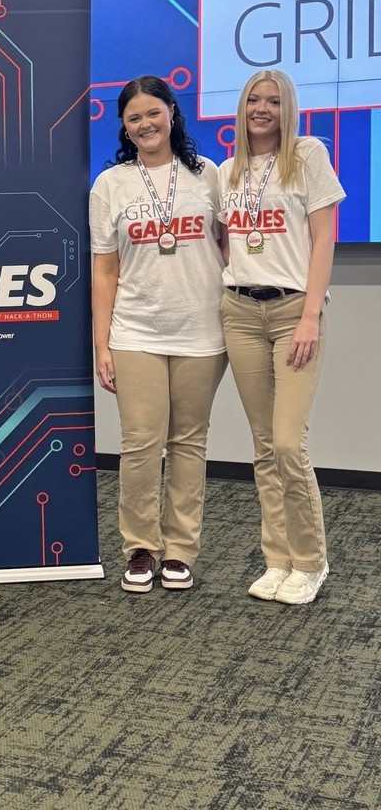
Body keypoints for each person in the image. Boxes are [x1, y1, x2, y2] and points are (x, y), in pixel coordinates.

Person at [90, 75, 227, 593]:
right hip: (136, 331)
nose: (145, 124)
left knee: (189, 442)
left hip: (202, 329)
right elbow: (105, 271)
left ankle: (181, 550)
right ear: (124, 127)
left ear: (172, 113)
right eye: (134, 118)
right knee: (141, 443)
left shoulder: (208, 175)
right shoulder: (111, 185)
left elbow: (227, 247)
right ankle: (141, 548)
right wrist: (101, 343)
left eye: (153, 113)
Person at [218, 70, 344, 605]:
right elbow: (223, 241)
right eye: (254, 100)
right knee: (265, 446)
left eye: (273, 101)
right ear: (242, 107)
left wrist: (312, 314)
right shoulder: (226, 170)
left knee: (290, 442)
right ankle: (278, 558)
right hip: (241, 312)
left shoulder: (307, 155)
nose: (262, 108)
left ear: (286, 108)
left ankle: (312, 561)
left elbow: (324, 236)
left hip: (294, 311)